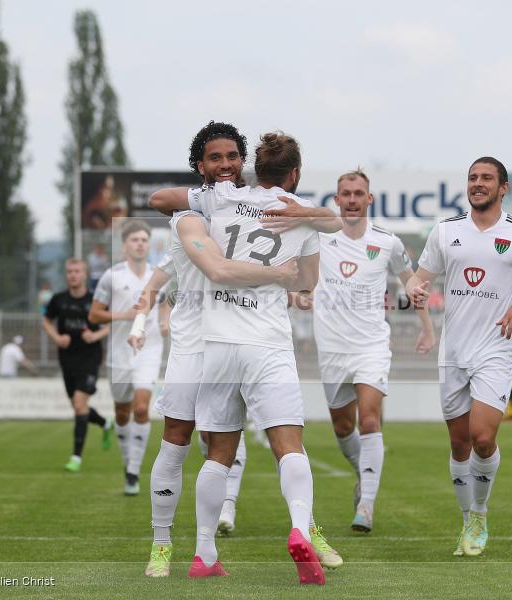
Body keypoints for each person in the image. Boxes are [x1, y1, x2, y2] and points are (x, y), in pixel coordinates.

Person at [149, 131, 341, 584]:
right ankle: (299, 529)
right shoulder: (299, 218)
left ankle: (203, 553)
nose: (225, 164)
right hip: (265, 345)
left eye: (233, 157)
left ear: (250, 165)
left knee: (218, 454)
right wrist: (301, 231)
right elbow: (306, 283)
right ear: (294, 173)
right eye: (217, 157)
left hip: (216, 343)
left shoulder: (219, 201)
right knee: (289, 446)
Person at [406, 157, 512, 557]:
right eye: (472, 178)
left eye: (486, 178)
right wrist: (415, 290)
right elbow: (419, 279)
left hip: (497, 348)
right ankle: (466, 522)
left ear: (503, 187)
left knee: (483, 438)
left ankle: (480, 512)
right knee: (459, 445)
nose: (477, 183)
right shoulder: (445, 231)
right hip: (454, 350)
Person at [301, 168, 435, 533]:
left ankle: (367, 506)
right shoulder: (318, 238)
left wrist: (426, 325)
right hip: (331, 349)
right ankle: (365, 475)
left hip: (371, 345)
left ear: (369, 199)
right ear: (337, 199)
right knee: (343, 427)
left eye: (359, 193)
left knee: (370, 418)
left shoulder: (387, 242)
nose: (352, 199)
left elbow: (410, 280)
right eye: (346, 193)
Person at [89, 221, 167, 495]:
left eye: (144, 239)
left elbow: (165, 301)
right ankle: (127, 461)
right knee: (122, 412)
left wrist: (165, 322)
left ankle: (133, 471)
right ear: (124, 245)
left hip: (149, 348)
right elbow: (94, 314)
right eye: (134, 239)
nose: (140, 243)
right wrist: (124, 316)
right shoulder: (112, 275)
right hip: (119, 351)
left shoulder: (159, 274)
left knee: (142, 408)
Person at [43, 258, 111, 472]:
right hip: (67, 359)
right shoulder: (58, 300)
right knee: (77, 405)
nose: (73, 275)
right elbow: (46, 320)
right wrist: (56, 337)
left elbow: (112, 323)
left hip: (90, 358)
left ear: (84, 274)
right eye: (69, 271)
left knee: (80, 405)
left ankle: (76, 458)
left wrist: (96, 334)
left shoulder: (95, 300)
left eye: (77, 271)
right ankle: (104, 423)